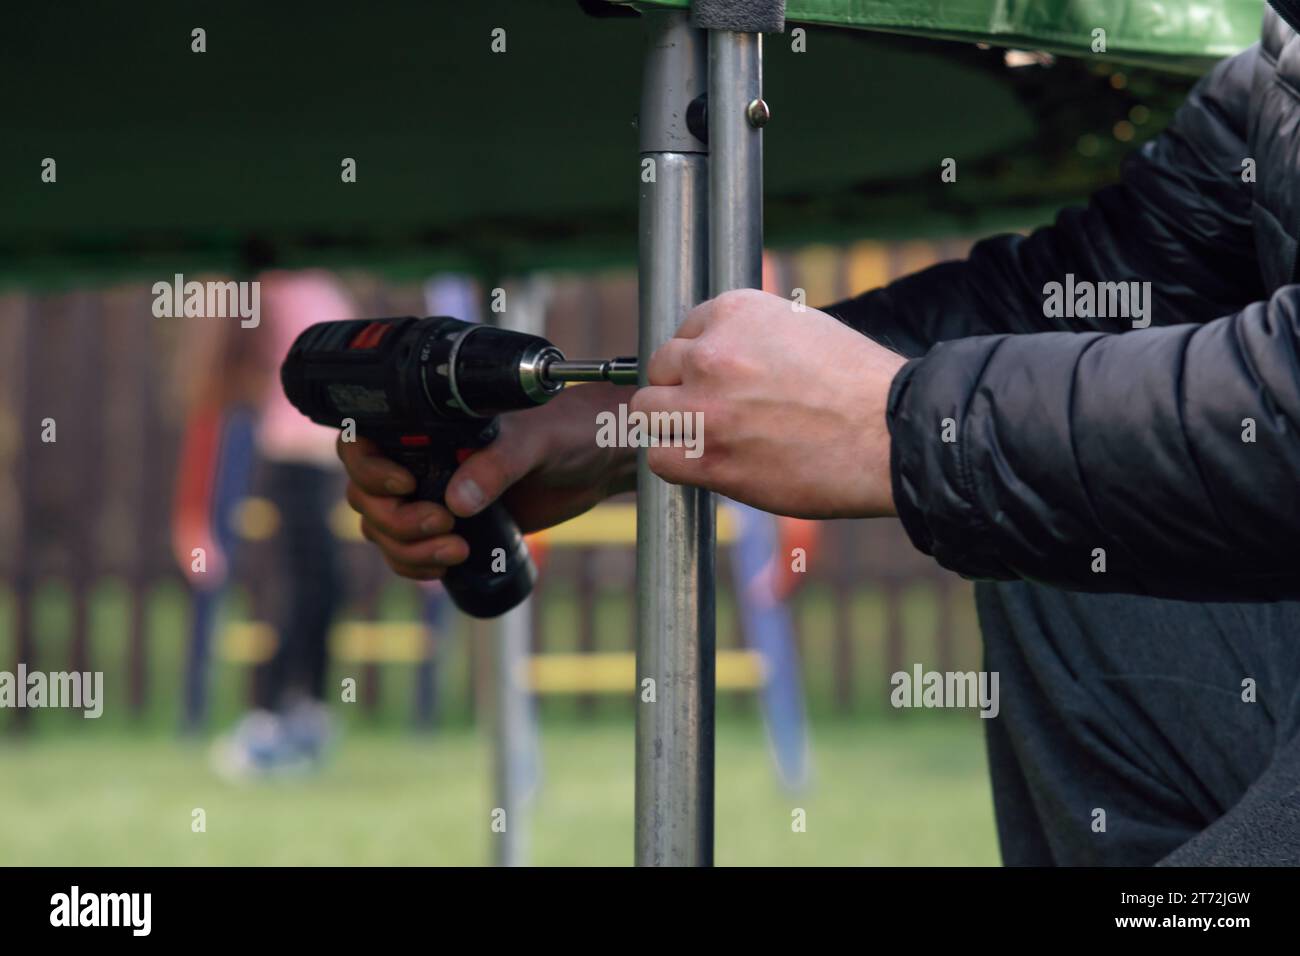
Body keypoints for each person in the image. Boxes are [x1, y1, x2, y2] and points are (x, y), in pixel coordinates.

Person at [336, 3, 1300, 863]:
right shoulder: (1280, 68)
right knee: (1064, 519)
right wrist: (619, 420)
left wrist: (905, 425)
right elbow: (1089, 306)